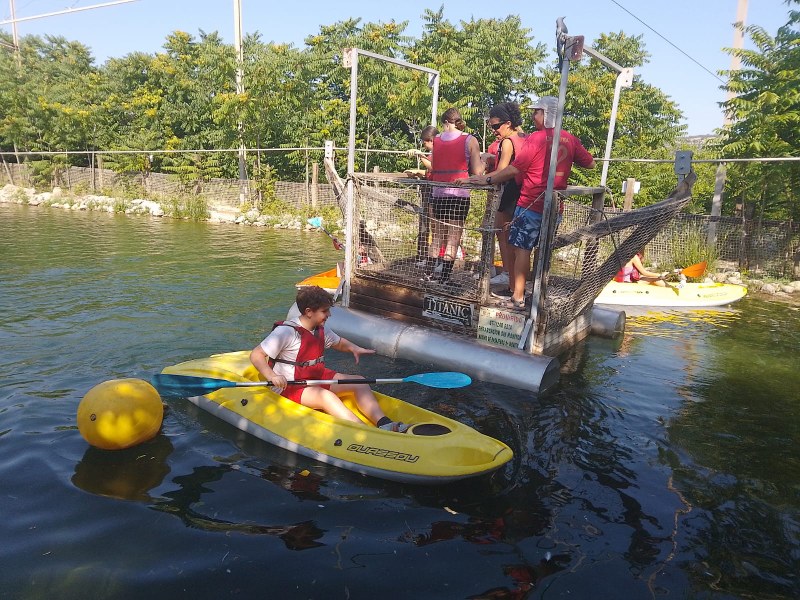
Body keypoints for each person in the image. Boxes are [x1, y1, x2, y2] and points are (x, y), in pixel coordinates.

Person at [458, 96, 595, 309]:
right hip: (555, 205)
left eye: (537, 112)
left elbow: (515, 168)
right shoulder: (570, 138)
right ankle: (539, 294)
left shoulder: (536, 138)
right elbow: (591, 163)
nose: (533, 116)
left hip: (530, 202)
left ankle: (518, 296)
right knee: (544, 249)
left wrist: (487, 178)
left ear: (546, 114)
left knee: (522, 249)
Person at [249, 286, 410, 432]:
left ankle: (384, 423)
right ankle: (365, 432)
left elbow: (338, 343)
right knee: (326, 397)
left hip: (315, 377)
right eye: (325, 311)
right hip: (290, 386)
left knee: (359, 381)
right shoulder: (287, 332)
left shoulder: (319, 329)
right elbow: (256, 355)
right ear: (309, 311)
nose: (329, 314)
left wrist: (355, 348)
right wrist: (273, 377)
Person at [423, 108, 484, 284]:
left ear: (444, 123)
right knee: (453, 237)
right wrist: (484, 161)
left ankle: (429, 275)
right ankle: (444, 278)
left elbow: (434, 166)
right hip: (459, 194)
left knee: (437, 237)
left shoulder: (437, 140)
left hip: (438, 193)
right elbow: (477, 171)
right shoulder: (469, 140)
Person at [485, 102, 527, 292]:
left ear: (508, 124)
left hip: (510, 191)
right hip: (523, 192)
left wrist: (481, 179)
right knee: (520, 242)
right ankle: (516, 284)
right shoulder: (524, 137)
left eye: (495, 126)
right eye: (491, 127)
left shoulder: (508, 142)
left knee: (504, 235)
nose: (494, 130)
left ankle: (509, 280)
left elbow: (501, 171)